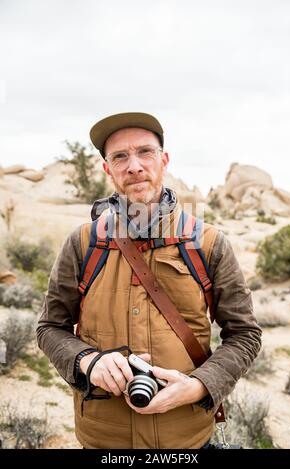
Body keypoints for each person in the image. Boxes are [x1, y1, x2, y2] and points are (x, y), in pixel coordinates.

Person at [37, 112, 262, 449]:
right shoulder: (84, 243)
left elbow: (245, 334)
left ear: (164, 160)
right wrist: (88, 361)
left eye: (145, 152)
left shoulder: (208, 243)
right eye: (120, 157)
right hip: (102, 440)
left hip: (186, 439)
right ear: (107, 169)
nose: (134, 166)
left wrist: (201, 385)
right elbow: (49, 328)